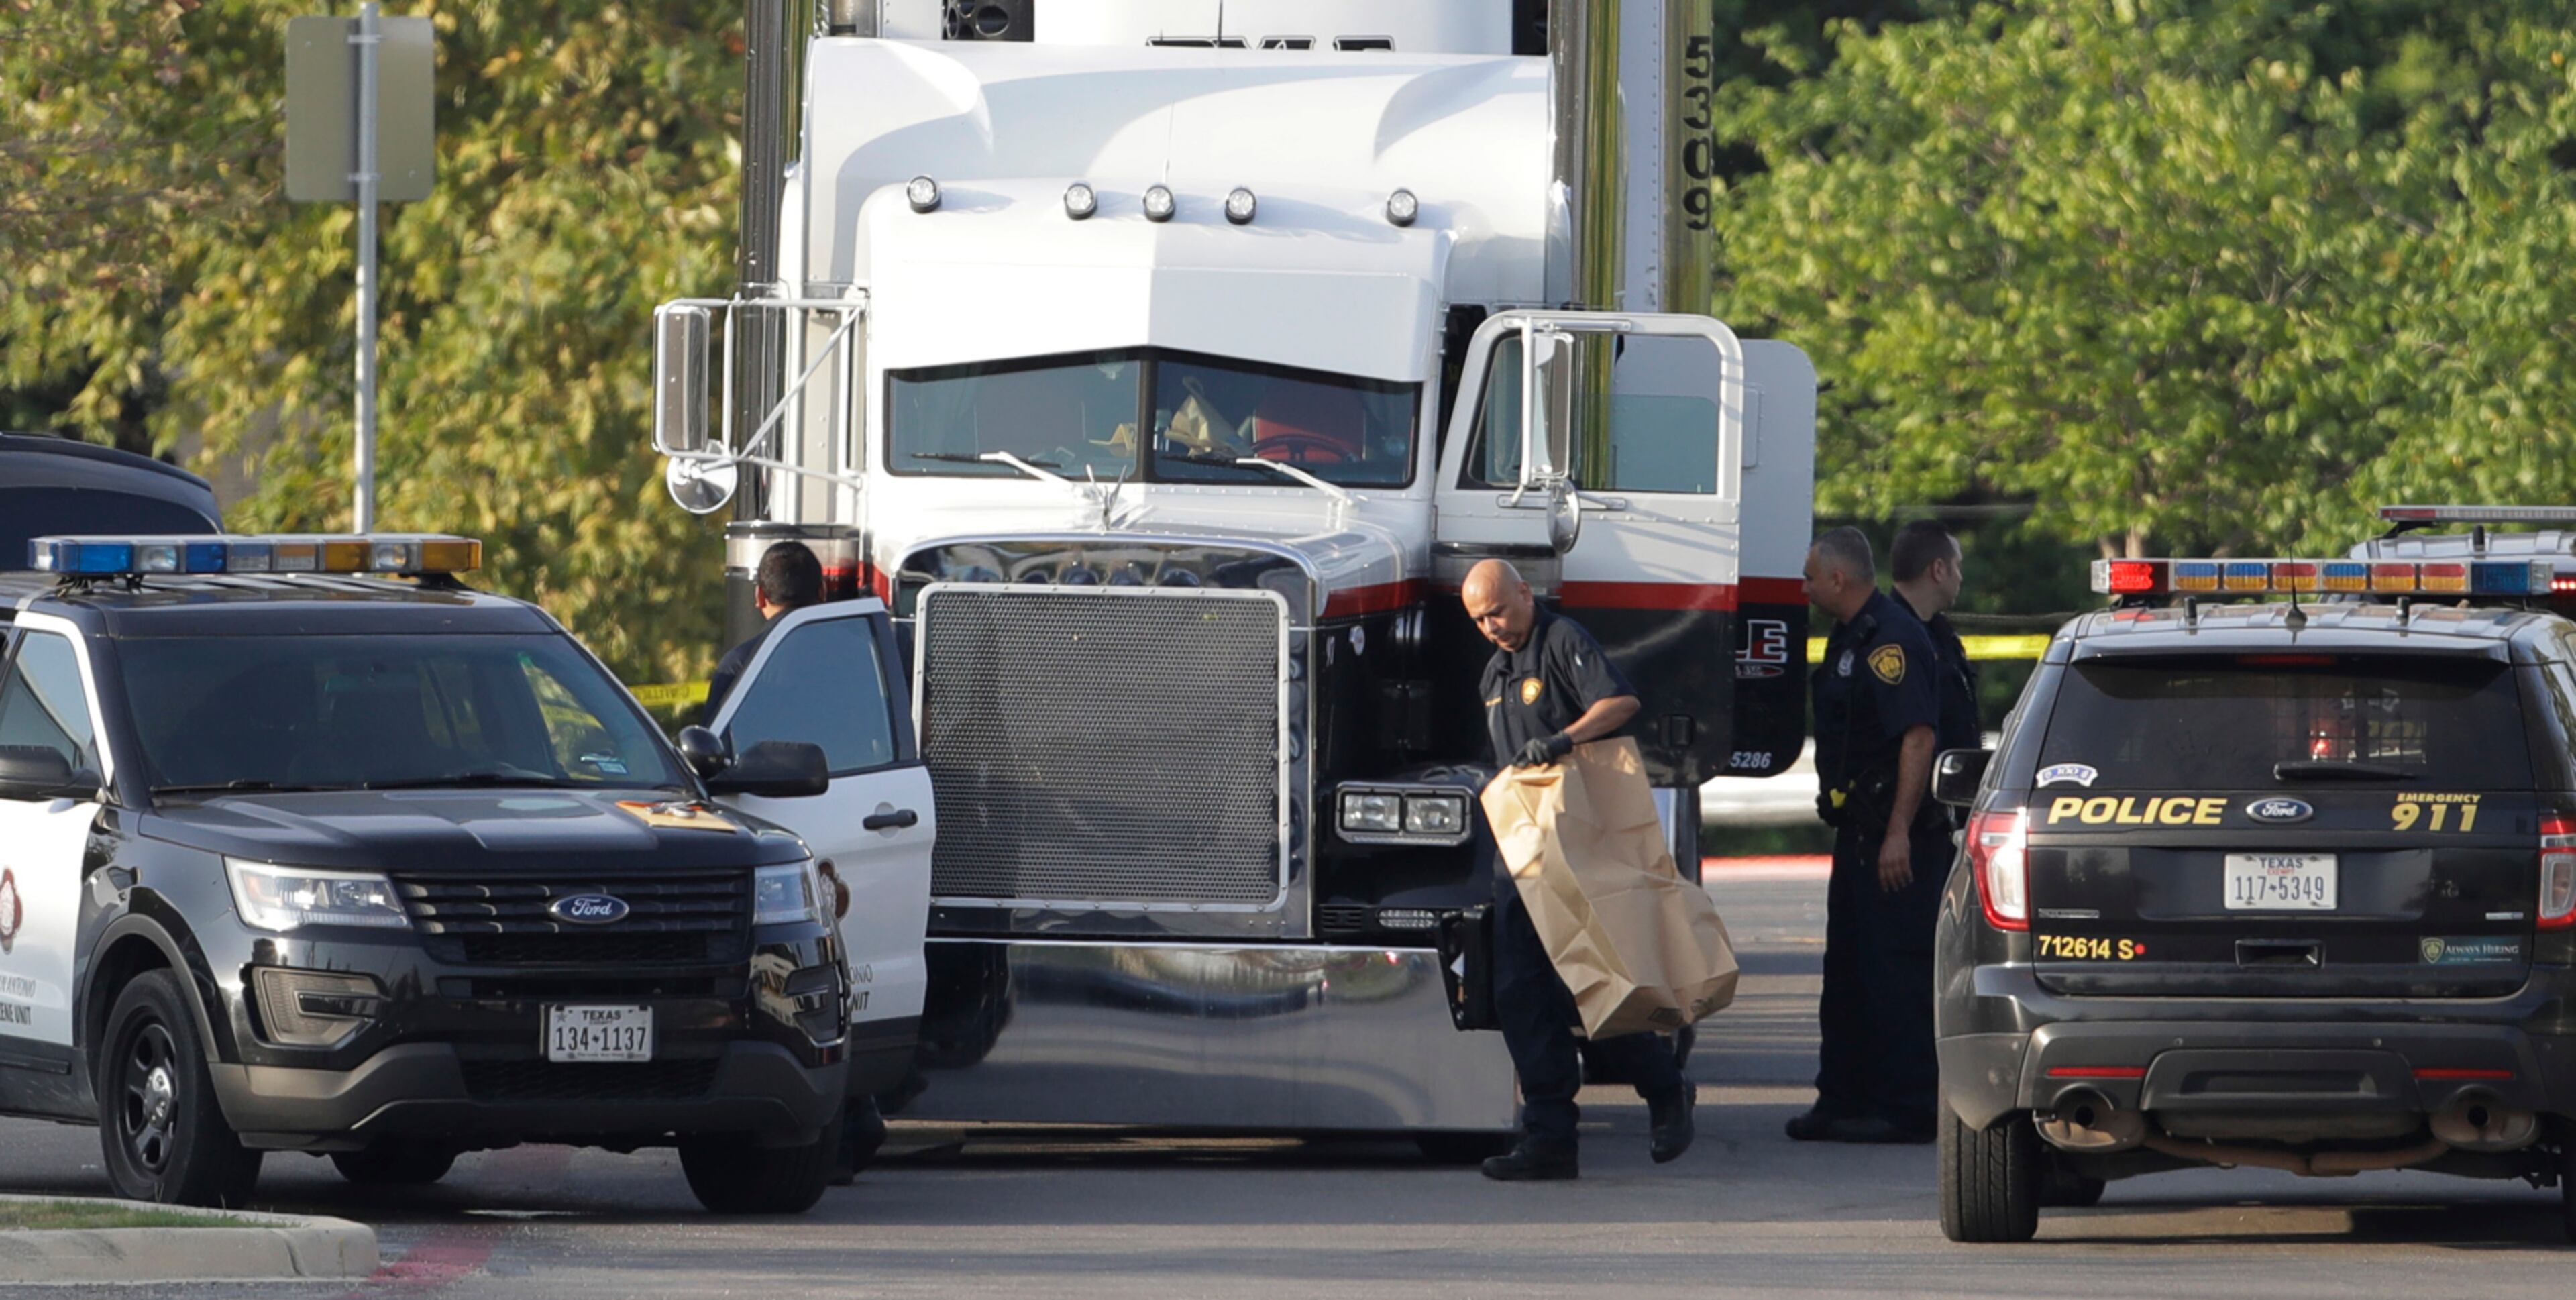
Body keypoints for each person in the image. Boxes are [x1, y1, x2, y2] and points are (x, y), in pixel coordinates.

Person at [1462, 558, 1696, 1181]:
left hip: (1577, 846)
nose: (1492, 626)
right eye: (1481, 620)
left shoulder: (1561, 641)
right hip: (1522, 856)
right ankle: (1549, 1140)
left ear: (1524, 592)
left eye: (1499, 612)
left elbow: (1621, 702)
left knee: (1591, 984)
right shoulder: (1495, 672)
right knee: (1521, 995)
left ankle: (1665, 1085)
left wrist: (1564, 740)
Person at [1790, 527, 1945, 1144]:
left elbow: (1918, 737)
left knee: (1895, 973)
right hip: (1857, 833)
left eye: (1808, 577)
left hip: (1894, 840)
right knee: (1848, 973)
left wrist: (1899, 833)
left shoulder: (1894, 641)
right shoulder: (1849, 637)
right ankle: (1842, 1098)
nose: (1801, 588)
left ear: (1838, 579)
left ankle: (1908, 1106)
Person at [700, 541, 824, 724]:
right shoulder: (858, 656)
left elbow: (712, 743)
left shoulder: (738, 665)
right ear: (823, 592)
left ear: (759, 596)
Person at [1889, 519, 1981, 761]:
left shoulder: (1941, 635)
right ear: (1939, 569)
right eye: (1957, 566)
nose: (1960, 577)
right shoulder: (1891, 641)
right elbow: (1916, 739)